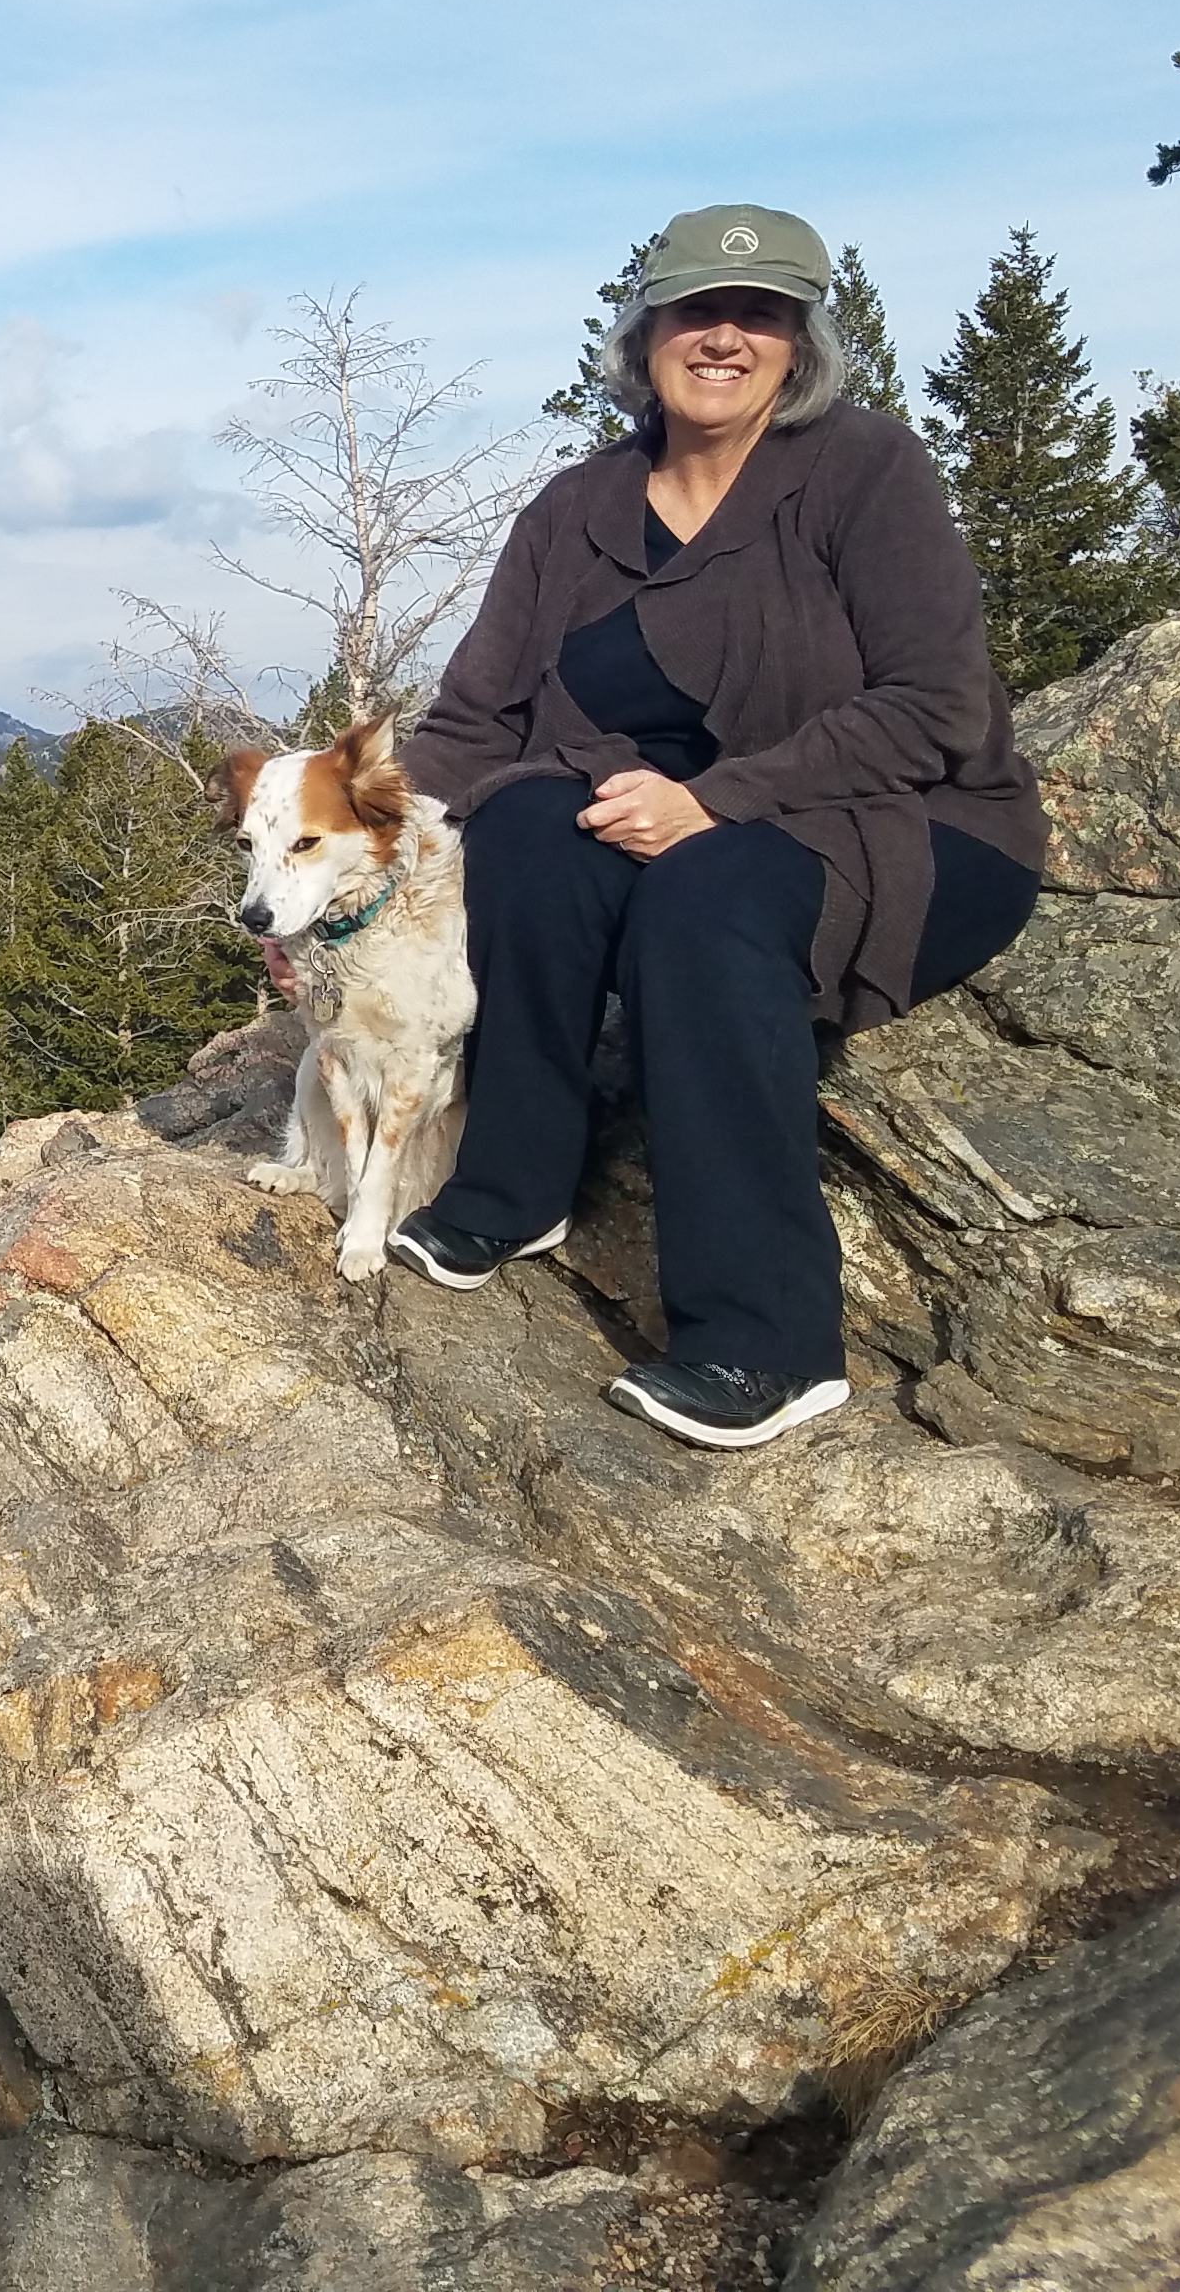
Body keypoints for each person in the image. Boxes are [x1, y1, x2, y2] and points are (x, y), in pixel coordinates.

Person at [392, 203, 1043, 1449]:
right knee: (525, 825)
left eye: (763, 315)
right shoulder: (577, 507)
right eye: (698, 309)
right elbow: (475, 721)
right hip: (669, 826)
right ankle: (517, 1187)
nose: (727, 337)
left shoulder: (866, 470)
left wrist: (711, 803)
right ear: (646, 336)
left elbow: (938, 708)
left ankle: (766, 1344)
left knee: (704, 896)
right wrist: (351, 890)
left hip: (909, 822)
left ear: (803, 345)